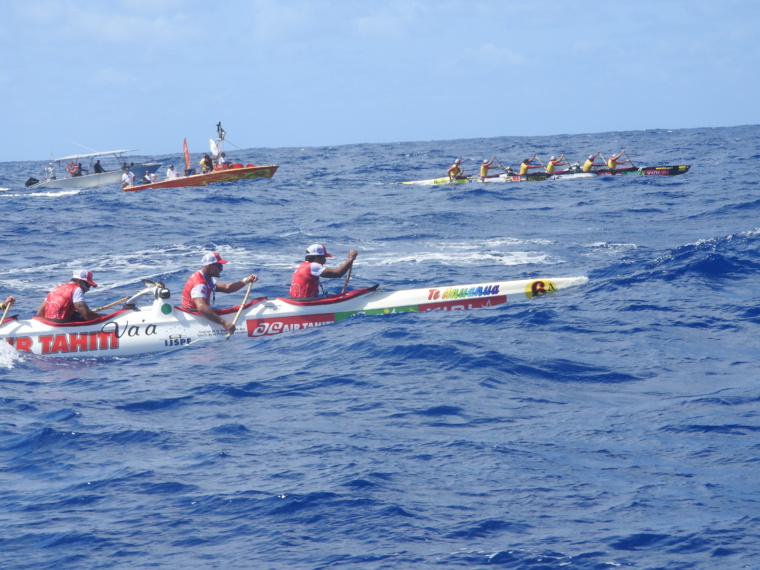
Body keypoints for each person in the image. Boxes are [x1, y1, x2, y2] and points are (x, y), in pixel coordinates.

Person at [181, 252, 258, 335]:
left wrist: (246, 280)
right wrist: (224, 323)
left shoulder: (206, 277)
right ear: (210, 266)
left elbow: (226, 288)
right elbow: (201, 307)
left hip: (195, 314)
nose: (221, 269)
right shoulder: (199, 283)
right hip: (194, 316)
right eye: (219, 266)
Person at [290, 244, 357, 299]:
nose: (325, 261)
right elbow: (338, 273)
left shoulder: (301, 266)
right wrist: (351, 259)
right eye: (324, 257)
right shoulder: (313, 266)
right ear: (316, 257)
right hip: (305, 304)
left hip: (296, 301)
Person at [36, 270, 102, 322]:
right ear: (79, 282)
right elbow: (87, 315)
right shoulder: (77, 289)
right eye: (88, 285)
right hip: (60, 324)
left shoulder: (56, 288)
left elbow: (40, 314)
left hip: (50, 322)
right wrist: (103, 318)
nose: (88, 289)